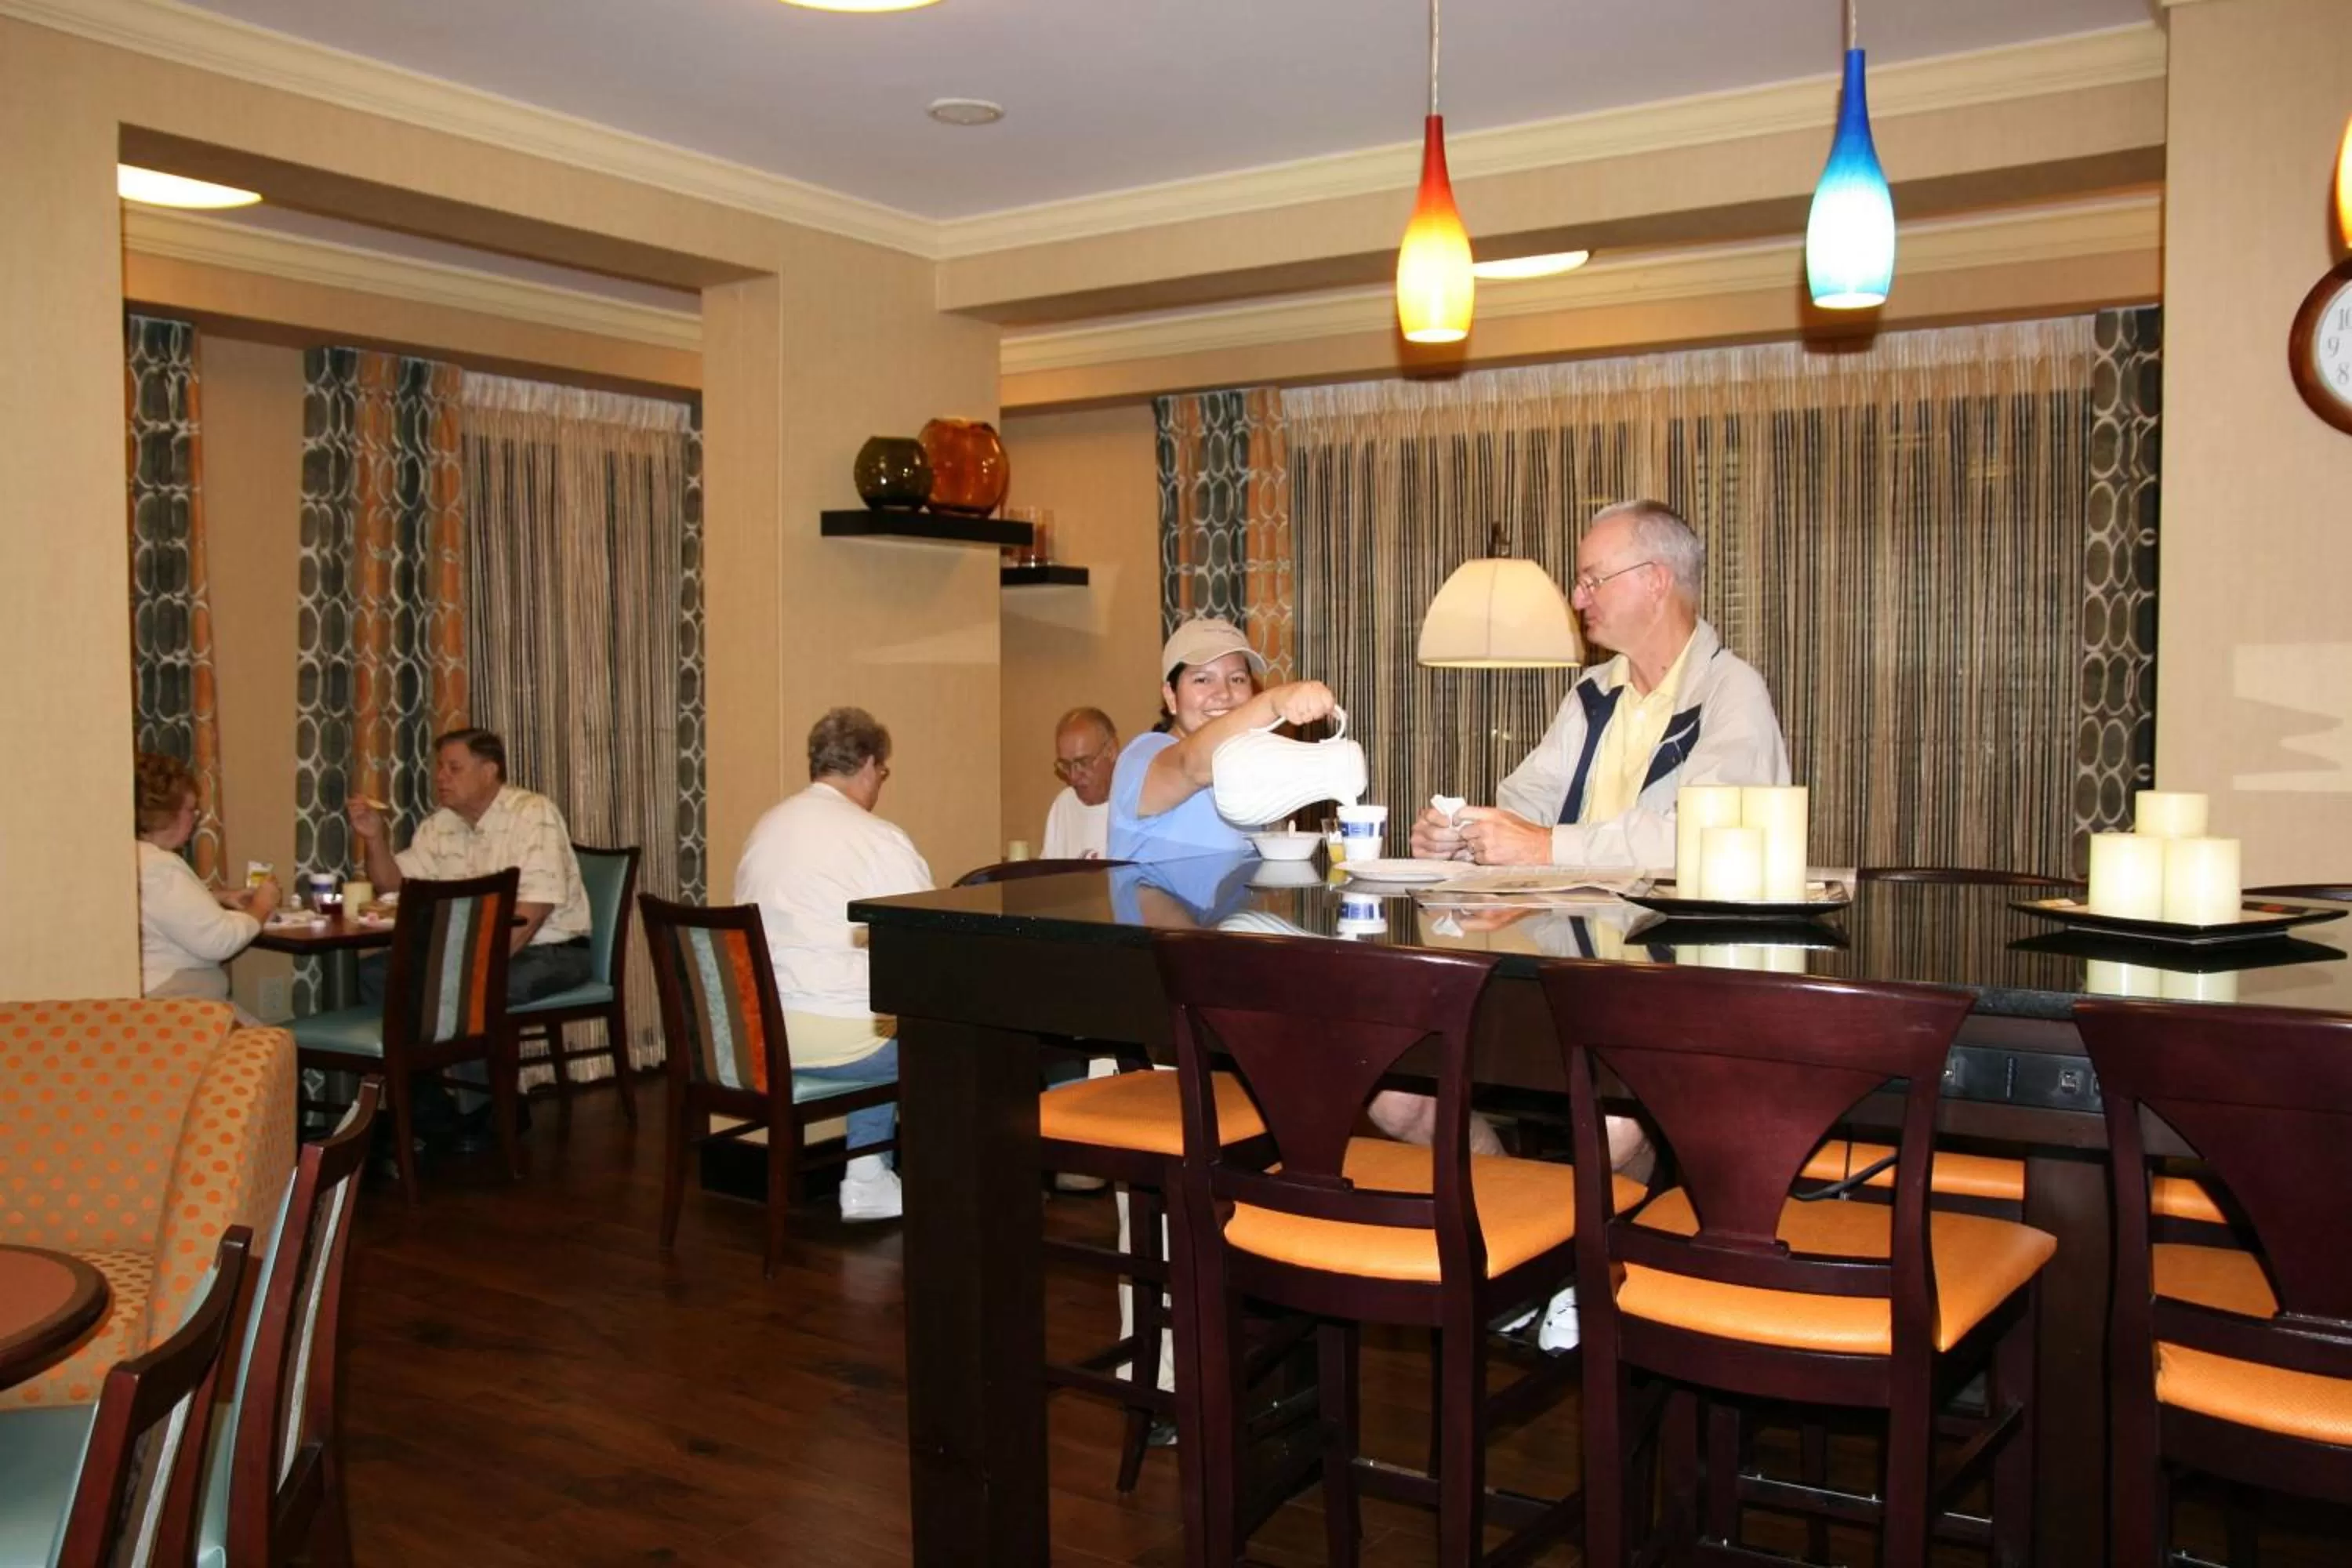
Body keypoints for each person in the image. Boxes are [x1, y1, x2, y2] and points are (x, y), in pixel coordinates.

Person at [1410, 498, 1790, 869]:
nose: (1577, 600)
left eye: (1593, 581)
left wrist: (1547, 847)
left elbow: (1712, 839)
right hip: (1575, 914)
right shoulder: (1592, 692)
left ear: (1655, 581)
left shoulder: (1732, 692)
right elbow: (1529, 805)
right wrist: (1465, 838)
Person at [733, 707, 932, 1223]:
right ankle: (940, 1181)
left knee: (872, 1003)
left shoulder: (765, 829)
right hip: (842, 1044)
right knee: (944, 1035)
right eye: (882, 772)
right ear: (867, 764)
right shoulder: (878, 838)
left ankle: (868, 1178)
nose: (880, 783)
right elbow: (928, 942)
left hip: (758, 1036)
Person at [347, 727, 595, 1000]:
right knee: (373, 973)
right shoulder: (440, 825)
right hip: (468, 950)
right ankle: (425, 1028)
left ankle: (453, 1022)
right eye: (440, 767)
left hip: (548, 949)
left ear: (488, 772)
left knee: (466, 989)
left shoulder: (533, 813)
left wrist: (472, 967)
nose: (441, 777)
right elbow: (393, 886)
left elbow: (535, 912)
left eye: (454, 768)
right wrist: (374, 838)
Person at [134, 751, 277, 1020]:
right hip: (178, 1000)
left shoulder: (134, 858)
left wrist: (218, 896)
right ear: (167, 814)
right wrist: (261, 907)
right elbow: (218, 941)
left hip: (152, 994)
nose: (195, 818)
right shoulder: (160, 867)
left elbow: (161, 906)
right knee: (277, 1041)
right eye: (190, 810)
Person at [1042, 707, 1118, 860]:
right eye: (1066, 765)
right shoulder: (1064, 804)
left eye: (1083, 763)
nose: (1073, 776)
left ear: (1111, 751)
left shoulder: (1141, 805)